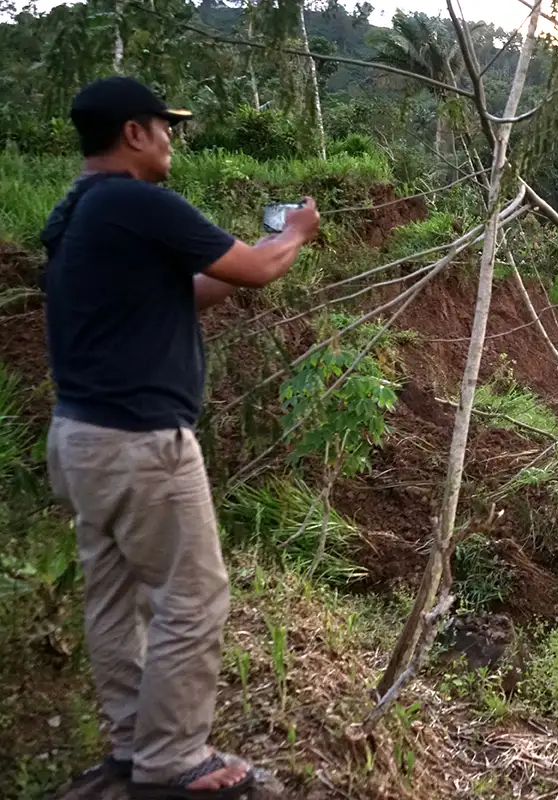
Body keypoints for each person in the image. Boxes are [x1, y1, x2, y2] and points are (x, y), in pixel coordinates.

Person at [40, 75, 320, 799]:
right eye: (165, 127)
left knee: (112, 597)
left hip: (81, 437)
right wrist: (291, 236)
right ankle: (173, 761)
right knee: (192, 599)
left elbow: (199, 286)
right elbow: (258, 272)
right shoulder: (139, 201)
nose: (171, 139)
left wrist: (257, 250)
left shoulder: (78, 211)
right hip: (142, 443)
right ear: (134, 133)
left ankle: (135, 748)